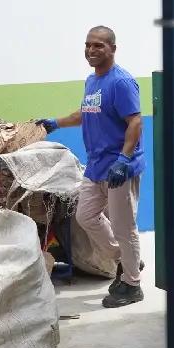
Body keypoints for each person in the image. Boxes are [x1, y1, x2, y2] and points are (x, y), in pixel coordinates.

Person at [37, 25, 146, 308]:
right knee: (86, 217)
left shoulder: (121, 82)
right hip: (96, 165)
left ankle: (132, 285)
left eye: (98, 45)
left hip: (120, 168)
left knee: (125, 227)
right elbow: (85, 113)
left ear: (112, 49)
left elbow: (135, 121)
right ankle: (124, 258)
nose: (91, 50)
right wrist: (56, 123)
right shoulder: (91, 81)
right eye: (87, 45)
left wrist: (124, 160)